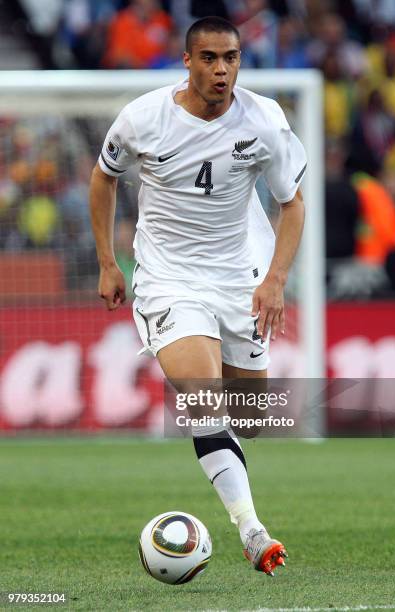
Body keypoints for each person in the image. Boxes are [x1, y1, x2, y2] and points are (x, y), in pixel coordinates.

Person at [90, 16, 306, 577]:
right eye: (209, 58)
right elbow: (102, 176)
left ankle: (229, 462)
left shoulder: (264, 121)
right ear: (187, 61)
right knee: (203, 399)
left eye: (230, 58)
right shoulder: (144, 118)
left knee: (250, 417)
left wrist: (276, 278)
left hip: (239, 276)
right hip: (167, 276)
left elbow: (293, 203)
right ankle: (253, 532)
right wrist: (109, 262)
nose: (221, 70)